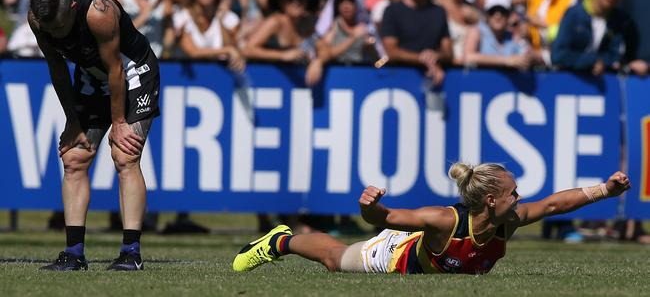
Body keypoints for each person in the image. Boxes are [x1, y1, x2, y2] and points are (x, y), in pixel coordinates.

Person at [232, 161, 631, 274]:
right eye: (513, 192)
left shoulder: (507, 219)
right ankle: (279, 241)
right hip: (396, 255)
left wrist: (604, 191)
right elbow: (385, 218)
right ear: (491, 201)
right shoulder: (444, 220)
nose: (521, 198)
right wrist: (369, 205)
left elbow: (555, 205)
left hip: (428, 262)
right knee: (335, 259)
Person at [28, 0, 160, 271]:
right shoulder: (39, 19)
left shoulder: (100, 13)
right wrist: (72, 121)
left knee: (125, 156)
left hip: (132, 72)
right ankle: (73, 254)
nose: (54, 34)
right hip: (92, 77)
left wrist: (119, 123)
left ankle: (131, 253)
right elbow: (57, 68)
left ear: (72, 7)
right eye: (49, 29)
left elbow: (116, 70)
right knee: (74, 158)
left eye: (60, 28)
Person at [552, 0, 636, 75]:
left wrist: (602, 63)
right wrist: (591, 61)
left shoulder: (619, 20)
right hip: (568, 79)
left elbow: (614, 55)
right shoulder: (574, 14)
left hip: (601, 85)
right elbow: (558, 55)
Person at [380, 0, 452, 86]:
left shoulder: (439, 12)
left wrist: (435, 56)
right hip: (398, 80)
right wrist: (422, 58)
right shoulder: (392, 10)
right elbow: (391, 51)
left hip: (433, 80)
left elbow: (448, 52)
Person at [463, 0, 534, 70]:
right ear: (487, 15)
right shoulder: (477, 31)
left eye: (503, 11)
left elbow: (527, 55)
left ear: (509, 15)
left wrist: (529, 57)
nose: (498, 16)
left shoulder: (513, 36)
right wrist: (505, 60)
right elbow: (468, 57)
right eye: (492, 11)